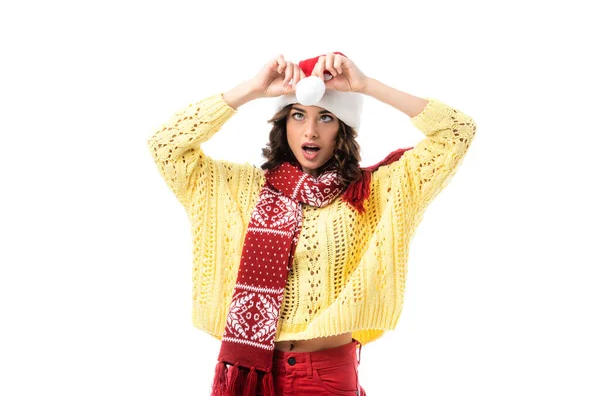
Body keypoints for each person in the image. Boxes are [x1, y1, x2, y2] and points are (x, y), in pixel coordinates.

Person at [147, 51, 477, 396]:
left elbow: (457, 131)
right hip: (252, 376)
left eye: (327, 118)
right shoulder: (236, 188)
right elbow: (166, 146)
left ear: (343, 129)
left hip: (327, 377)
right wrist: (251, 90)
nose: (310, 130)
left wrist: (366, 86)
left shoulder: (375, 191)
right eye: (298, 115)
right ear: (282, 123)